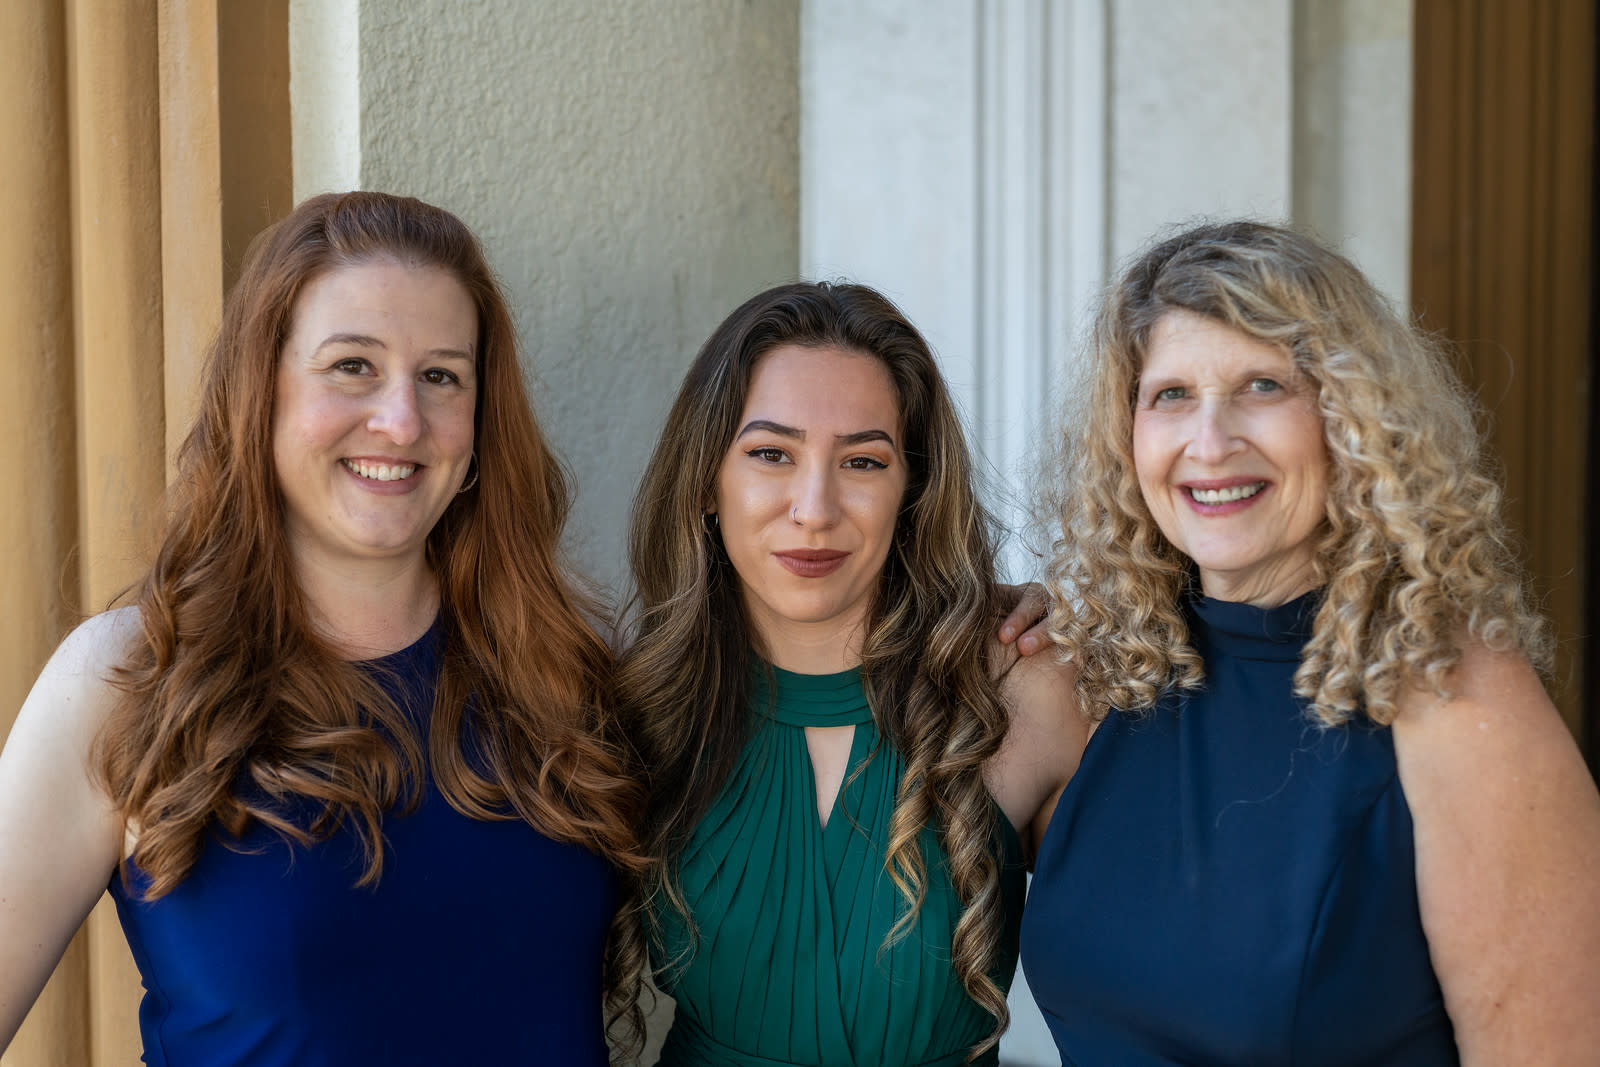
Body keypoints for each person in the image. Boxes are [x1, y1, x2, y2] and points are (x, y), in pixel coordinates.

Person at [0, 192, 645, 1064]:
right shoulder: (126, 679)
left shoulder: (563, 676)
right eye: (352, 366)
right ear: (258, 390)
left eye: (442, 376)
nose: (402, 420)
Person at [1022, 219, 1600, 1064]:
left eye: (1263, 385)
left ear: (1351, 417)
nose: (1209, 442)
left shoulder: (1455, 692)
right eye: (1171, 394)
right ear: (1127, 434)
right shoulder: (1103, 675)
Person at [616, 281, 1084, 1067]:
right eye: (771, 453)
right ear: (706, 480)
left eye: (863, 460)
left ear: (913, 488)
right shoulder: (638, 713)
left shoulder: (1024, 691)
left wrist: (1123, 618)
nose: (815, 507)